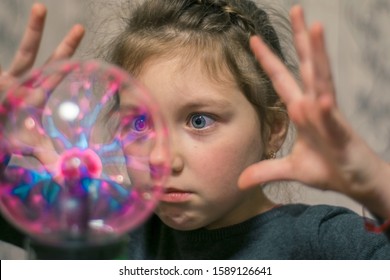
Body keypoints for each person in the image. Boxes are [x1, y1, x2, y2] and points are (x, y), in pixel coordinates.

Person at [0, 0, 390, 259]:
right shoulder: (102, 227)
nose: (161, 158)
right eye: (139, 123)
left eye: (199, 120)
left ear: (273, 129)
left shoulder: (320, 242)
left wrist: (378, 186)